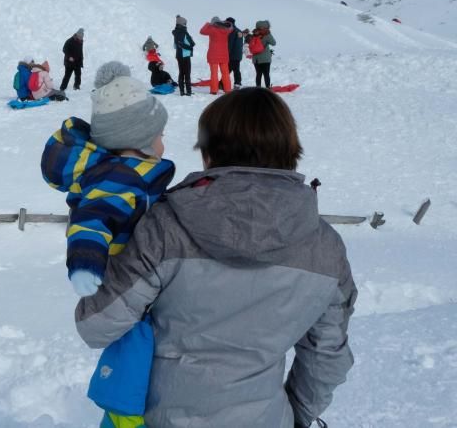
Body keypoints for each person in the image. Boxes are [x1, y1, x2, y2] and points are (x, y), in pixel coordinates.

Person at [75, 87, 355, 428]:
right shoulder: (326, 248)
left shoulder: (166, 226)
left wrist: (107, 251)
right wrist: (295, 416)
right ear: (289, 152)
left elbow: (97, 325)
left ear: (209, 153)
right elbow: (328, 357)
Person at [42, 61, 175, 428]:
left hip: (137, 283)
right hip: (121, 281)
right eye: (160, 134)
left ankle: (123, 413)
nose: (164, 141)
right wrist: (85, 263)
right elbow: (91, 219)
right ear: (142, 139)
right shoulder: (120, 177)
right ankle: (125, 415)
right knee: (134, 366)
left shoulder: (131, 175)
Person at [200, 16, 233, 95]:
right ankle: (228, 89)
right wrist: (227, 23)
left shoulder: (212, 29)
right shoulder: (226, 30)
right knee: (225, 73)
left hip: (213, 55)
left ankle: (214, 90)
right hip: (224, 55)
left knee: (214, 73)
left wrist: (208, 23)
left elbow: (202, 31)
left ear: (213, 23)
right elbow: (231, 27)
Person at [172, 15, 195, 96]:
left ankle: (182, 91)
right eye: (185, 23)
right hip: (186, 55)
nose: (186, 24)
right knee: (187, 73)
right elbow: (192, 44)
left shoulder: (175, 32)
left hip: (178, 55)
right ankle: (188, 92)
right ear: (183, 24)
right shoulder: (184, 32)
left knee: (181, 72)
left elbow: (175, 46)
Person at [251, 20, 277, 88]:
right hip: (265, 59)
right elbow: (274, 43)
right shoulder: (267, 35)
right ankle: (268, 88)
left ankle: (258, 88)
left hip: (256, 59)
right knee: (266, 74)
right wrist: (269, 34)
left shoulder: (254, 34)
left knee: (258, 74)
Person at [226, 17, 249, 89]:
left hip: (233, 54)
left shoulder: (233, 31)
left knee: (231, 69)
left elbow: (230, 43)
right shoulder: (238, 31)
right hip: (237, 54)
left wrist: (227, 53)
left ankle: (236, 83)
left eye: (227, 23)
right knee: (235, 69)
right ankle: (236, 83)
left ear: (230, 23)